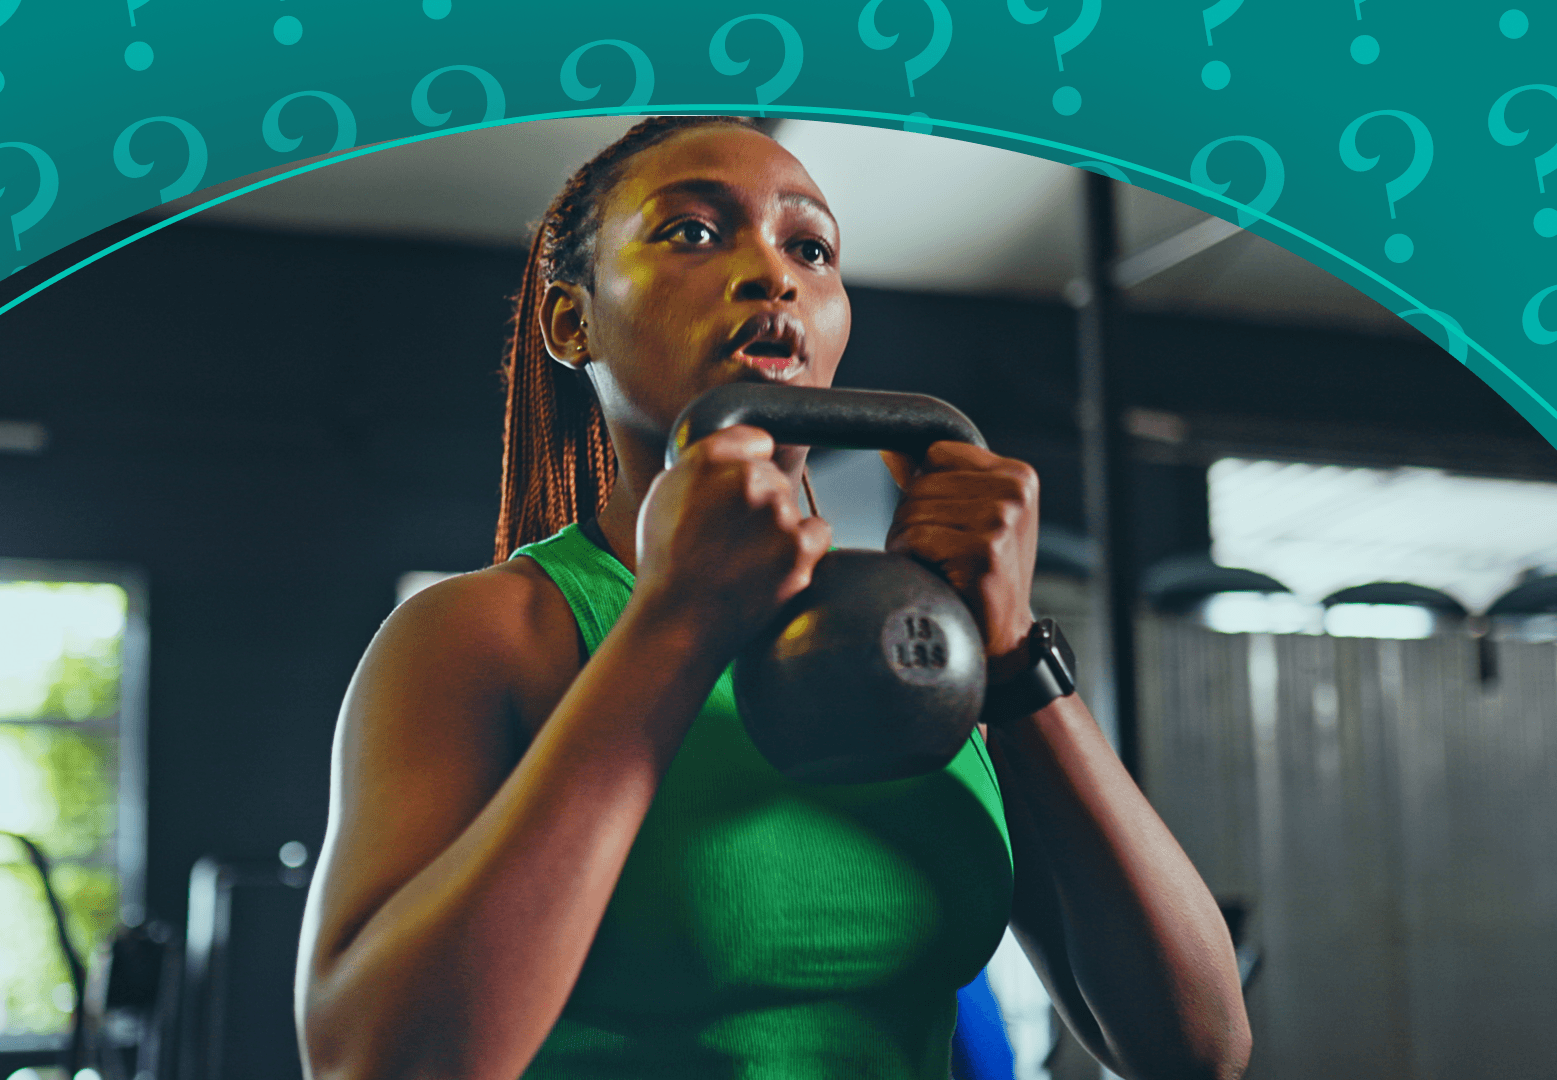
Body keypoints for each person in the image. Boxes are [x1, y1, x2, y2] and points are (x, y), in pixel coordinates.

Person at [294, 115, 1250, 1080]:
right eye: (694, 232)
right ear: (570, 320)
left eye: (810, 248)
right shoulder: (485, 633)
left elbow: (1199, 1049)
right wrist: (674, 625)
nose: (773, 275)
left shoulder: (929, 648)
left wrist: (1010, 654)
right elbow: (371, 1062)